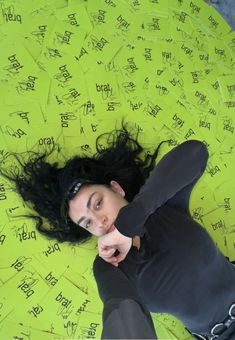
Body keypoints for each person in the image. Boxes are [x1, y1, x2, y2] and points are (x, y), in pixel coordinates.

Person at [1, 123, 235, 340]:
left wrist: (128, 224)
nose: (99, 221)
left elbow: (195, 152)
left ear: (117, 188)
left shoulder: (163, 206)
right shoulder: (108, 265)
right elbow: (121, 315)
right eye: (87, 223)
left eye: (98, 203)